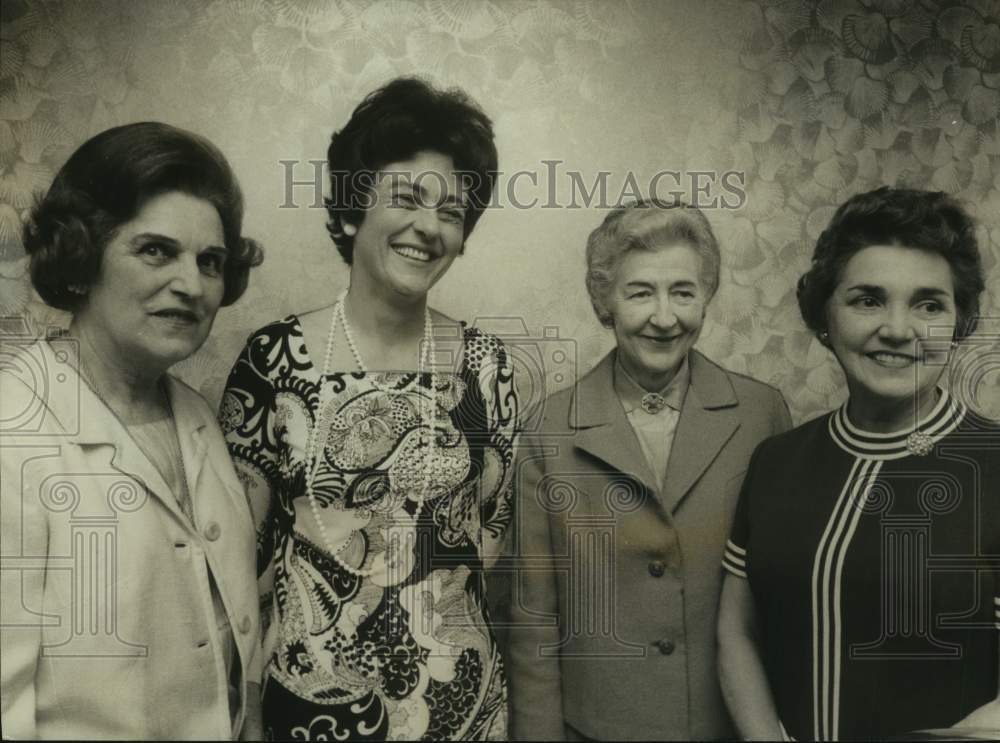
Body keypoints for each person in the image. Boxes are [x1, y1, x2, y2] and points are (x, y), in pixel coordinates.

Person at [219, 77, 516, 740]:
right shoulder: (276, 360)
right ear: (353, 208)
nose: (429, 227)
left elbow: (489, 540)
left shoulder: (485, 365)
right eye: (406, 199)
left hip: (462, 711)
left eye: (451, 210)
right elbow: (242, 559)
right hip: (310, 707)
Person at [0, 122, 265, 739]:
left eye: (210, 262)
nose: (191, 285)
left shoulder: (196, 414)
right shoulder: (13, 436)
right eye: (155, 251)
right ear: (82, 253)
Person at [501, 199, 792, 741]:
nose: (664, 317)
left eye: (683, 291)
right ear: (604, 300)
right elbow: (533, 617)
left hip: (730, 727)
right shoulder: (549, 428)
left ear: (706, 298)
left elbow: (781, 592)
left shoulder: (761, 413)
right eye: (640, 292)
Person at [718, 187, 1000, 740]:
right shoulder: (776, 461)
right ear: (825, 313)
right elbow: (737, 631)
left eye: (929, 304)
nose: (897, 329)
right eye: (868, 299)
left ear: (960, 322)